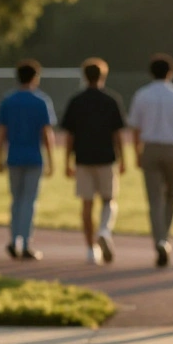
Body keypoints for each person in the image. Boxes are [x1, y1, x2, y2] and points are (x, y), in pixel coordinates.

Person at [128, 53, 173, 268]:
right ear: (170, 73)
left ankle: (159, 240)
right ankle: (166, 237)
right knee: (171, 196)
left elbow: (136, 127)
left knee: (154, 199)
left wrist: (137, 152)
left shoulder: (142, 95)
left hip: (150, 148)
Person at [62, 58, 126, 265]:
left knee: (87, 204)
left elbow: (69, 136)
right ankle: (104, 230)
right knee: (109, 199)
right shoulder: (111, 100)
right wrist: (123, 158)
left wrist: (66, 161)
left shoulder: (76, 101)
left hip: (83, 158)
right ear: (103, 76)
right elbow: (117, 134)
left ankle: (91, 249)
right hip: (106, 157)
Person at [0, 59, 56, 260]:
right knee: (29, 201)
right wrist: (51, 159)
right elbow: (47, 134)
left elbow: (2, 133)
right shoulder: (41, 102)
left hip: (14, 156)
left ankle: (14, 240)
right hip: (34, 157)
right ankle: (26, 242)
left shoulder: (8, 101)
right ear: (35, 78)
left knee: (16, 200)